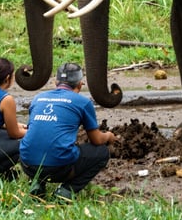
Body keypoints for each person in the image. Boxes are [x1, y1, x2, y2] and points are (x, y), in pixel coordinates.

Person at [20, 62, 116, 200]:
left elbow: (35, 132)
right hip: (59, 169)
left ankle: (36, 183)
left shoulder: (38, 98)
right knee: (101, 152)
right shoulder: (82, 102)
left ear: (55, 82)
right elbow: (96, 139)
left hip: (27, 165)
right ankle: (66, 191)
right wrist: (108, 136)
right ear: (80, 84)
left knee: (36, 142)